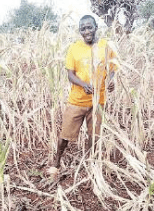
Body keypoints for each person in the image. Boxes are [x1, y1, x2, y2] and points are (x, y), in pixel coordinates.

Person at [48, 15, 117, 176]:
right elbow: (70, 75)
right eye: (83, 28)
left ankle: (91, 164)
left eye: (89, 27)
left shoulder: (106, 46)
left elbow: (112, 69)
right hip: (77, 100)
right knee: (65, 135)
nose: (87, 31)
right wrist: (83, 84)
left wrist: (110, 81)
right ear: (80, 31)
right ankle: (57, 163)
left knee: (94, 135)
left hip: (98, 101)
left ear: (96, 27)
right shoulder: (74, 48)